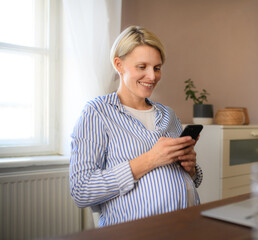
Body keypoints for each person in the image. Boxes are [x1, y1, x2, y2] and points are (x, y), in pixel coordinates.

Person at [69, 25, 203, 227]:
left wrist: (191, 168)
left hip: (186, 226)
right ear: (119, 65)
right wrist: (150, 159)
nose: (152, 76)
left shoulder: (169, 115)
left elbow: (194, 180)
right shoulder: (97, 113)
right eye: (142, 67)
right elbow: (81, 190)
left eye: (157, 68)